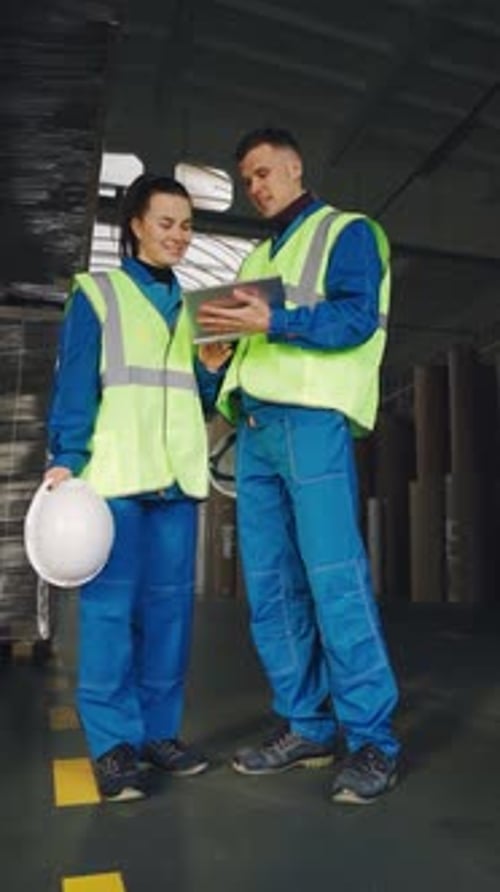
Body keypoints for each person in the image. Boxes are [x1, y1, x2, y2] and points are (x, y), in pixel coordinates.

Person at [197, 128, 400, 804]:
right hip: (254, 430)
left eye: (263, 173)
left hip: (311, 425)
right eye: (247, 179)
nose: (255, 187)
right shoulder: (256, 254)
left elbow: (355, 320)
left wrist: (275, 326)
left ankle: (372, 739)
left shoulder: (348, 232)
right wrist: (221, 359)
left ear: (295, 166)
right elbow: (245, 341)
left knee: (334, 582)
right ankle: (308, 725)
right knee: (273, 590)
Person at [44, 173, 231, 802]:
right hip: (116, 478)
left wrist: (212, 371)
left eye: (187, 226)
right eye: (167, 223)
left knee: (169, 616)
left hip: (176, 481)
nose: (179, 236)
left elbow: (199, 400)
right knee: (108, 615)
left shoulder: (196, 309)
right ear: (136, 225)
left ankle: (158, 735)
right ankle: (114, 746)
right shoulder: (96, 296)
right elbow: (75, 385)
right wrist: (66, 458)